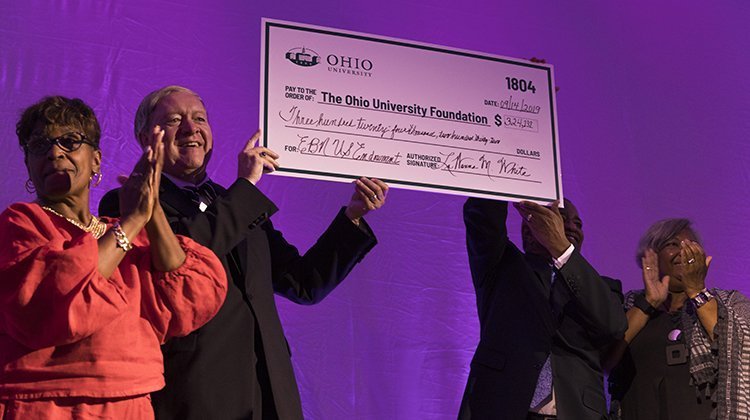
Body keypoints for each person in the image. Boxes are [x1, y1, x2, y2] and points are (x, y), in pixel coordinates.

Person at [99, 85, 387, 419]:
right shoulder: (130, 201)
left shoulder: (235, 200)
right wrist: (245, 188)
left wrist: (352, 217)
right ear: (145, 137)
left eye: (199, 119)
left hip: (269, 390)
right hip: (196, 392)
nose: (191, 129)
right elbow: (182, 262)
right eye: (175, 120)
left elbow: (303, 282)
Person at [0, 96, 227, 419]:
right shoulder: (21, 223)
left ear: (96, 160)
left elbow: (188, 299)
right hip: (46, 405)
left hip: (130, 404)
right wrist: (132, 220)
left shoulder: (120, 234)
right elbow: (57, 299)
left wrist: (151, 208)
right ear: (28, 165)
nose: (54, 153)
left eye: (69, 141)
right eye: (39, 146)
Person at [458, 197, 627, 420]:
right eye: (562, 219)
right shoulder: (502, 267)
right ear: (529, 230)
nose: (571, 227)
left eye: (578, 224)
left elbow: (614, 325)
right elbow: (483, 217)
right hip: (500, 407)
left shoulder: (604, 287)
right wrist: (502, 177)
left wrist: (561, 249)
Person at [606, 218, 750, 420]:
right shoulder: (630, 304)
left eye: (691, 244)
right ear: (651, 256)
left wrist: (696, 291)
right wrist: (648, 302)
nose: (684, 250)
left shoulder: (730, 302)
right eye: (672, 244)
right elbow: (606, 358)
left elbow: (738, 346)